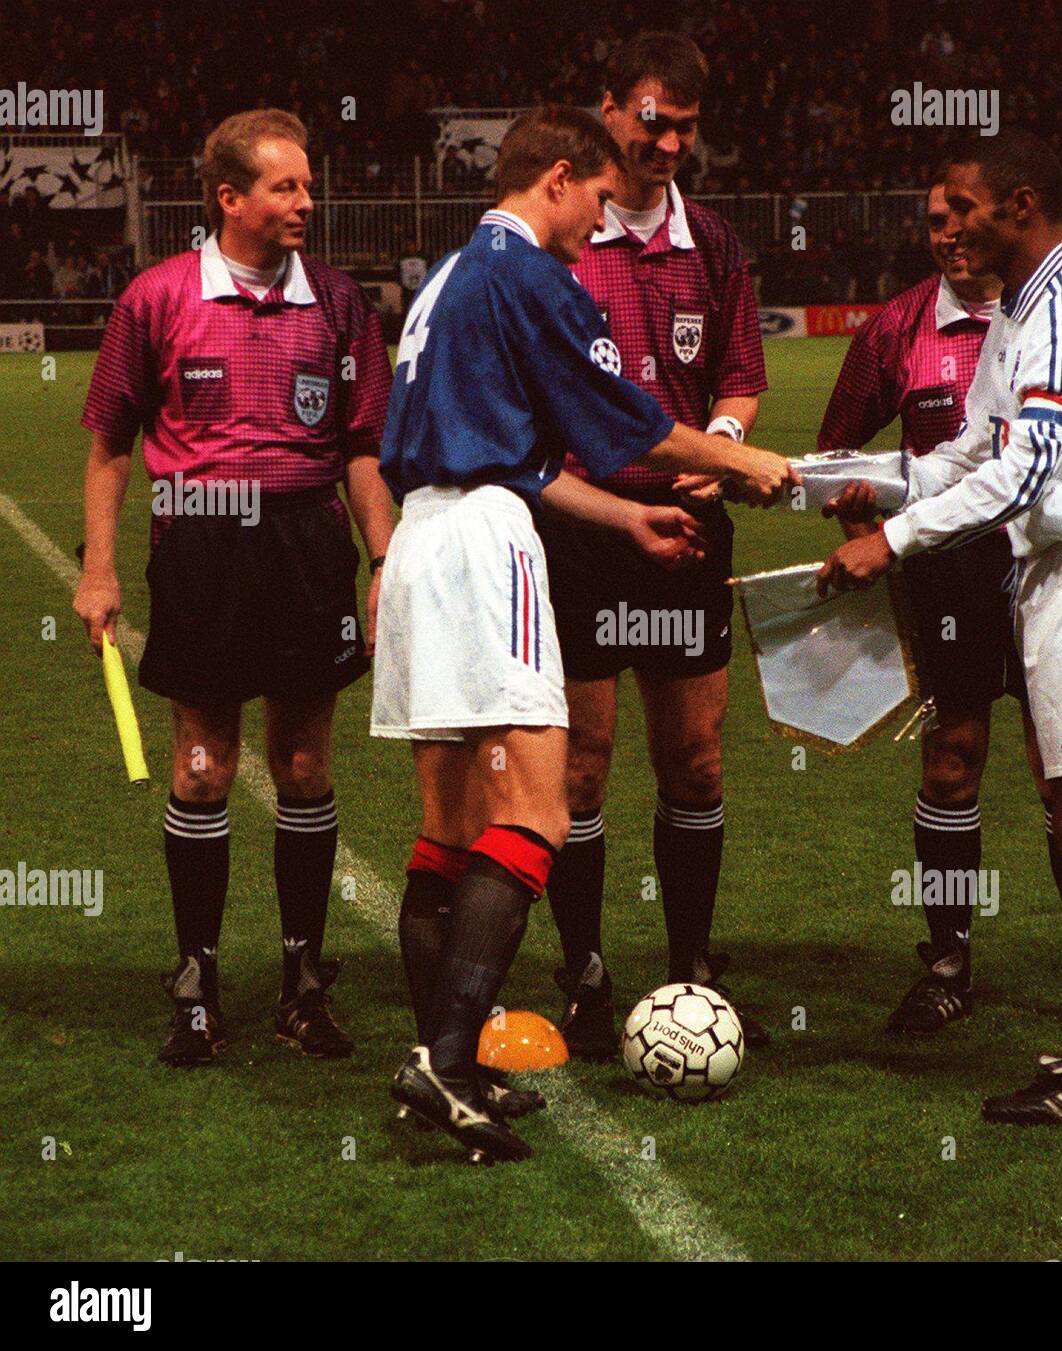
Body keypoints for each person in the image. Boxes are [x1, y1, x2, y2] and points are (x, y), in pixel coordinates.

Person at [372, 104, 794, 1163]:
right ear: (557, 177)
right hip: (482, 547)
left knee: (455, 826)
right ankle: (447, 1058)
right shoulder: (531, 275)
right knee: (539, 810)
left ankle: (447, 1063)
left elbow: (520, 453)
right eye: (598, 199)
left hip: (422, 540)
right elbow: (632, 423)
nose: (599, 221)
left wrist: (623, 515)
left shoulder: (448, 279)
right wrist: (752, 464)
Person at [820, 130, 1062, 1125]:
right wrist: (839, 486)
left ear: (1020, 203)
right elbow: (965, 457)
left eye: (963, 205)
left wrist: (892, 541)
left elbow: (1027, 471)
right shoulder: (1022, 317)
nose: (946, 224)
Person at [74, 109, 394, 1067]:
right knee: (202, 767)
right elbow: (108, 444)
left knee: (303, 765)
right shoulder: (157, 299)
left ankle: (303, 979)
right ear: (230, 197)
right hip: (203, 547)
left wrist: (386, 562)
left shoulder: (341, 305)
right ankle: (197, 980)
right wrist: (97, 568)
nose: (308, 202)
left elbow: (363, 449)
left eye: (306, 184)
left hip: (306, 543)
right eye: (287, 187)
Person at [538, 33, 771, 1059]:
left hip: (684, 530)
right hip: (582, 527)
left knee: (695, 759)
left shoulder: (712, 243)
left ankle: (690, 967)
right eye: (651, 118)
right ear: (607, 110)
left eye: (684, 124)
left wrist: (720, 443)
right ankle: (584, 971)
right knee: (581, 765)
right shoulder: (562, 236)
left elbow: (740, 374)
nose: (669, 140)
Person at [819, 175, 1062, 1038]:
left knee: (1061, 766)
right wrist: (871, 541)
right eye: (933, 221)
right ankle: (949, 960)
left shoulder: (1044, 324)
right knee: (952, 761)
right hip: (946, 579)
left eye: (963, 217)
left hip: (1049, 571)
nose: (950, 236)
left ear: (1005, 218)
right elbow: (842, 450)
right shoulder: (897, 326)